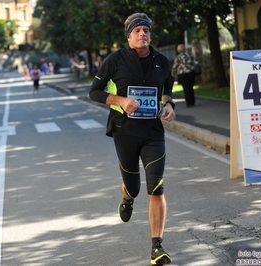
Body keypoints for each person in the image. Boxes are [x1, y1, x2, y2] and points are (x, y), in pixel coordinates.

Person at [89, 12, 175, 265]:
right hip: (123, 131)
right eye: (137, 30)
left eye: (146, 30)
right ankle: (127, 197)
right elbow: (94, 91)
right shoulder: (115, 60)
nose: (142, 34)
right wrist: (121, 100)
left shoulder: (161, 60)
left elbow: (167, 87)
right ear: (128, 35)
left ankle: (156, 248)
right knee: (135, 188)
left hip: (152, 134)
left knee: (156, 188)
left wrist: (169, 105)